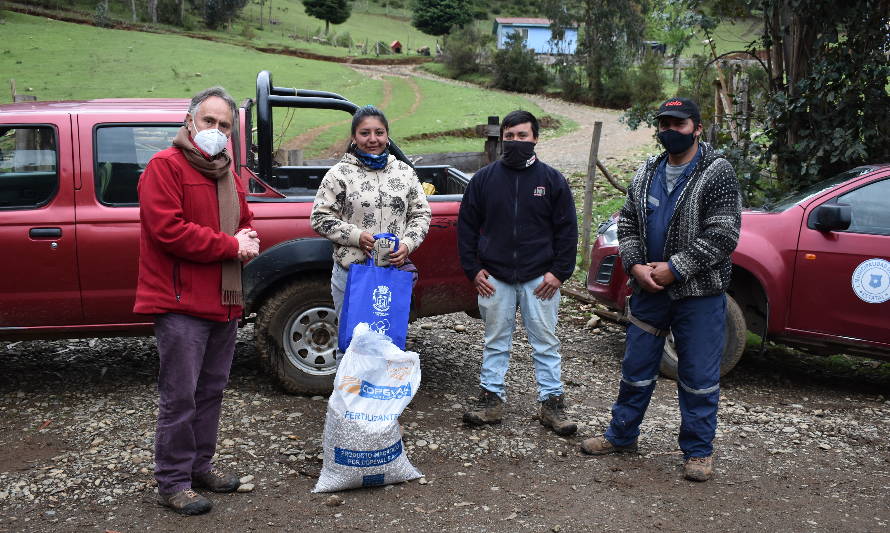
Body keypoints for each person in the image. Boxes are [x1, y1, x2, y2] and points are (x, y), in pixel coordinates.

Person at [579, 97, 742, 482]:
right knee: (635, 368)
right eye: (664, 124)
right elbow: (629, 224)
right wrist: (635, 265)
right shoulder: (647, 172)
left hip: (698, 294)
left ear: (697, 129)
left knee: (699, 376)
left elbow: (724, 233)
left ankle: (699, 452)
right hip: (649, 290)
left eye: (679, 124)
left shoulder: (716, 172)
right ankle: (621, 436)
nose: (670, 130)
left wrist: (676, 268)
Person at [134, 87, 260, 515]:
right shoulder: (163, 167)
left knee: (211, 391)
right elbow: (167, 230)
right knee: (180, 395)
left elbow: (244, 221)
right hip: (180, 303)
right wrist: (231, 245)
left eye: (225, 125)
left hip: (223, 301)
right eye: (209, 121)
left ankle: (199, 465)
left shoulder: (229, 175)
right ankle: (172, 481)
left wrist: (248, 239)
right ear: (190, 121)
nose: (217, 131)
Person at [457, 110, 579, 436]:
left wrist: (559, 273)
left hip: (541, 279)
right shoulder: (483, 180)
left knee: (545, 342)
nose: (515, 142)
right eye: (509, 137)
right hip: (494, 277)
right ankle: (491, 400)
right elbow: (466, 228)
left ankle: (552, 405)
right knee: (495, 341)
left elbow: (567, 230)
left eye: (522, 136)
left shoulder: (552, 181)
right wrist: (473, 269)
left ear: (535, 138)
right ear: (501, 139)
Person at [310, 106, 432, 328]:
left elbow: (421, 214)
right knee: (351, 344)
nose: (373, 139)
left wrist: (407, 244)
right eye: (365, 133)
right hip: (352, 275)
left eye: (379, 132)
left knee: (388, 343)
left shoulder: (404, 172)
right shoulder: (339, 174)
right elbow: (320, 217)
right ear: (354, 137)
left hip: (392, 274)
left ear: (387, 135)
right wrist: (356, 236)